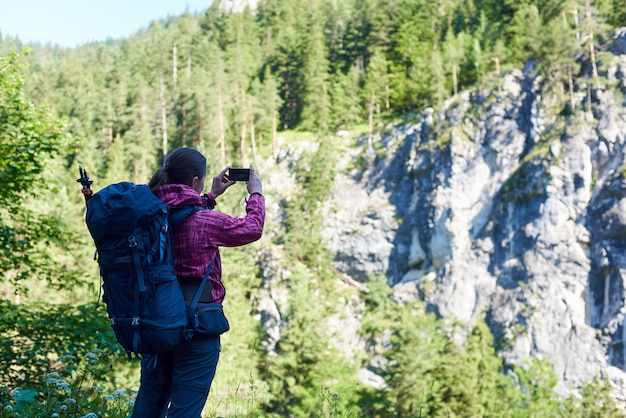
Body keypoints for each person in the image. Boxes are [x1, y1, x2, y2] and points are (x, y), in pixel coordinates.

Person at [131, 147, 265, 418]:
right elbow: (252, 228)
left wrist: (212, 196)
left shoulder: (149, 216)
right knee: (185, 412)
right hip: (198, 327)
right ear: (194, 182)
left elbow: (180, 214)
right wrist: (256, 194)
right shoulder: (204, 222)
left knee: (147, 408)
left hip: (158, 324)